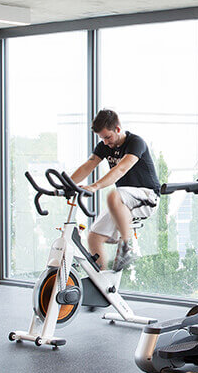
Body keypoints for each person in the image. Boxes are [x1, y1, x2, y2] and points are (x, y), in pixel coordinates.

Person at [68, 109, 161, 271]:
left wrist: (94, 186)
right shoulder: (105, 146)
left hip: (148, 197)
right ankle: (102, 284)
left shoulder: (135, 143)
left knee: (113, 195)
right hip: (123, 201)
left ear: (118, 129)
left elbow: (120, 170)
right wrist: (67, 185)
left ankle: (127, 247)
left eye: (107, 137)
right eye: (102, 138)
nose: (105, 142)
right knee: (93, 237)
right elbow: (87, 166)